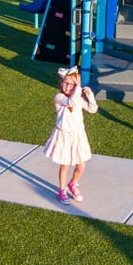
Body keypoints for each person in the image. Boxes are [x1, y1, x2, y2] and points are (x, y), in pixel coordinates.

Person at [44, 68, 98, 205]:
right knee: (65, 164)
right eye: (65, 83)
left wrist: (89, 95)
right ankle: (62, 190)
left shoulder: (78, 98)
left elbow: (93, 109)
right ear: (61, 83)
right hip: (64, 135)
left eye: (71, 84)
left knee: (81, 165)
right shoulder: (59, 97)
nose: (67, 86)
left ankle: (73, 184)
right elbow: (71, 103)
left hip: (78, 135)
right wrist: (78, 87)